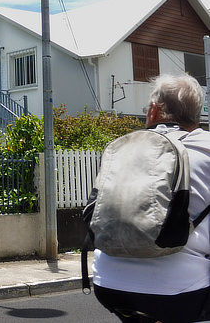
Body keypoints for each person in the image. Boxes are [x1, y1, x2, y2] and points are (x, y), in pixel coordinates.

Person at [92, 73, 210, 322]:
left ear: (153, 111)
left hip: (107, 283)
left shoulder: (122, 147)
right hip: (181, 293)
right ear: (197, 114)